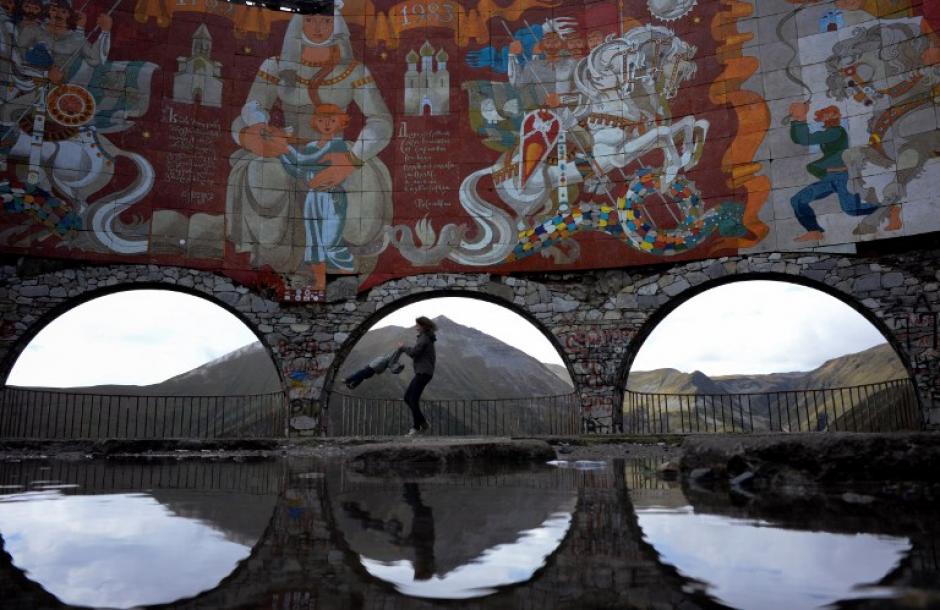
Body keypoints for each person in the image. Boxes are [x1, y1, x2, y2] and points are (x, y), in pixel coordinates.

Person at [226, 0, 393, 286]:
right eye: (311, 21)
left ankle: (348, 254)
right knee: (262, 171)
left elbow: (380, 120)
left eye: (325, 22)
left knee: (364, 177)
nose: (318, 28)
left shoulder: (354, 70)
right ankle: (275, 258)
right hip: (287, 147)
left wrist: (351, 158)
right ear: (298, 24)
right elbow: (249, 111)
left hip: (336, 150)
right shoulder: (276, 67)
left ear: (336, 24)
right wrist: (253, 136)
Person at [787, 102, 891, 242]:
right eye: (826, 113)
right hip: (830, 178)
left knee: (852, 210)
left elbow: (806, 139)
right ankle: (814, 231)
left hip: (843, 177)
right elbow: (802, 139)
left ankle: (888, 208)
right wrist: (797, 120)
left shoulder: (836, 132)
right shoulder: (829, 133)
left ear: (835, 116)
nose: (827, 116)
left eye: (831, 113)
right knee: (798, 200)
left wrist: (800, 118)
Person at [279, 103, 355, 275]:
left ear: (340, 122)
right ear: (315, 122)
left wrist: (285, 147)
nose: (326, 124)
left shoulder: (338, 145)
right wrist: (282, 153)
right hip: (313, 197)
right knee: (314, 242)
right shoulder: (312, 146)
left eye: (332, 120)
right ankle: (320, 284)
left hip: (332, 196)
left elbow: (307, 162)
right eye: (321, 120)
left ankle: (348, 279)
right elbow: (298, 171)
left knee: (331, 241)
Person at [399, 316, 437, 437]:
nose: (416, 327)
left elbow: (414, 353)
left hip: (423, 372)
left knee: (412, 399)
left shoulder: (424, 338)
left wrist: (402, 347)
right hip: (423, 372)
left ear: (423, 326)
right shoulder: (427, 337)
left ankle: (417, 427)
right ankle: (422, 424)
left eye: (417, 325)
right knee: (408, 398)